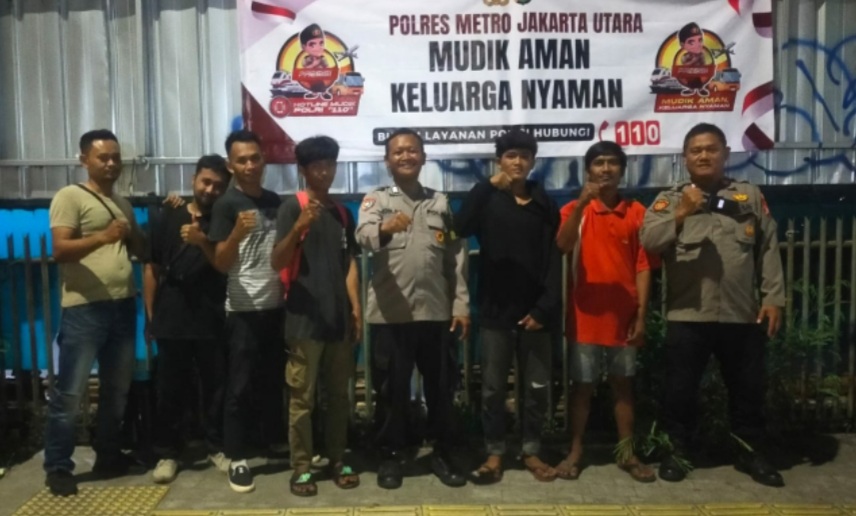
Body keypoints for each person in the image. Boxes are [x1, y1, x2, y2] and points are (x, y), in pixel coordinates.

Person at [640, 123, 786, 487]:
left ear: (725, 154)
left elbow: (768, 248)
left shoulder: (749, 197)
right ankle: (677, 452)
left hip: (741, 313)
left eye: (711, 149)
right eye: (696, 150)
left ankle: (750, 452)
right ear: (685, 158)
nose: (703, 155)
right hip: (688, 314)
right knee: (680, 391)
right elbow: (650, 241)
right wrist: (682, 213)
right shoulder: (669, 199)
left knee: (748, 390)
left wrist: (773, 298)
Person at [356, 128, 470, 489]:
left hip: (436, 314)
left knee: (441, 389)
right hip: (392, 315)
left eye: (412, 151)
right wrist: (385, 228)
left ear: (423, 157)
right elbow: (363, 236)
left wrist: (461, 305)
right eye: (398, 152)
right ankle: (392, 455)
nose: (405, 156)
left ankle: (441, 453)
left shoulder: (441, 202)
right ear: (387, 161)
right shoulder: (376, 200)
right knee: (392, 391)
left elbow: (456, 258)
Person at [44, 129, 147, 496]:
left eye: (116, 157)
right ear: (84, 160)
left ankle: (108, 455)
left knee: (117, 390)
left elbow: (141, 250)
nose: (111, 163)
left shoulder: (122, 203)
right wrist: (103, 237)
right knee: (70, 394)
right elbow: (60, 250)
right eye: (103, 157)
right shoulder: (69, 197)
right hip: (84, 309)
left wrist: (136, 231)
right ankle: (58, 466)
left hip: (122, 306)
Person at [454, 129, 561, 484]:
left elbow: (554, 258)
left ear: (533, 161)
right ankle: (495, 452)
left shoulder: (544, 203)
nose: (517, 162)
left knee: (536, 388)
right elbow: (460, 227)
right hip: (495, 310)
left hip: (537, 312)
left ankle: (531, 450)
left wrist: (545, 308)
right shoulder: (487, 198)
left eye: (524, 156)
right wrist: (487, 186)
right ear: (499, 160)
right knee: (492, 389)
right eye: (511, 155)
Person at [555, 141, 658, 483]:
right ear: (588, 170)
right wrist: (583, 204)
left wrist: (640, 315)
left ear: (622, 170)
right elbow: (562, 245)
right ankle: (575, 450)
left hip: (624, 319)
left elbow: (644, 266)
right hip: (584, 316)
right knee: (582, 387)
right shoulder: (574, 210)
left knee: (623, 386)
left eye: (612, 163)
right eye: (598, 163)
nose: (605, 169)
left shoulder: (637, 212)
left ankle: (627, 453)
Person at [271, 136, 361, 496]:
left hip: (338, 321)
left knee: (338, 397)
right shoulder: (292, 207)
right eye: (316, 166)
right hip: (303, 322)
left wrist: (355, 309)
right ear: (303, 170)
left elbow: (349, 263)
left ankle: (337, 459)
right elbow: (277, 261)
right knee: (302, 400)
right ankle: (302, 468)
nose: (324, 172)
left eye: (329, 165)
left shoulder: (342, 213)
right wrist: (298, 228)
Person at [143, 155, 231, 484]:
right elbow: (152, 267)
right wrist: (151, 315)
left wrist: (201, 240)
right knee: (170, 387)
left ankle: (216, 445)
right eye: (206, 182)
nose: (210, 190)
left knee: (216, 385)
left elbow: (224, 263)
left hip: (212, 313)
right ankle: (167, 452)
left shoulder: (224, 220)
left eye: (218, 186)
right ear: (193, 179)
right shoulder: (168, 214)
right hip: (172, 311)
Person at [207, 130, 286, 493]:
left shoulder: (274, 201)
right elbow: (221, 264)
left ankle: (273, 442)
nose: (250, 165)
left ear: (263, 160)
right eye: (242, 160)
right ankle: (236, 456)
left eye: (255, 158)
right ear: (230, 165)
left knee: (272, 381)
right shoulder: (226, 204)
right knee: (238, 386)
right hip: (242, 309)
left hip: (276, 305)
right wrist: (237, 234)